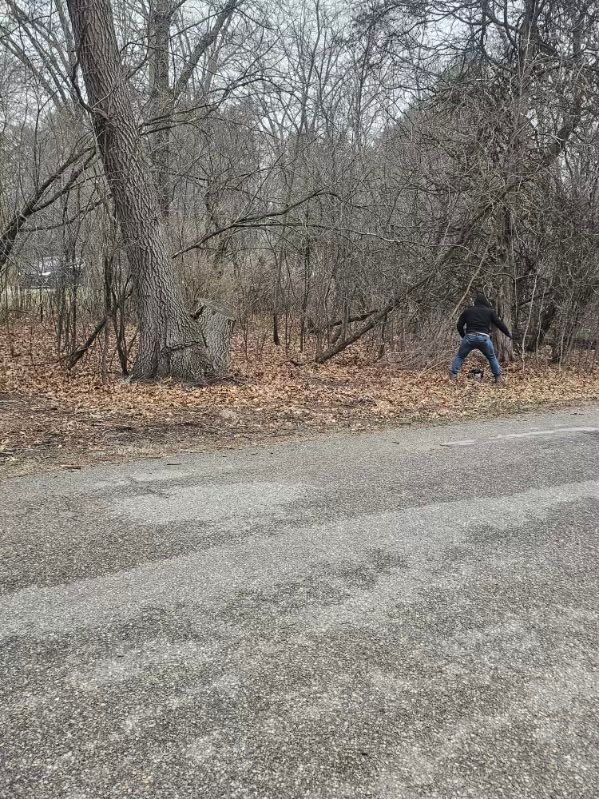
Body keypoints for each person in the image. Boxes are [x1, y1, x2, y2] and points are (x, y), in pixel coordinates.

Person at [449, 293, 512, 383]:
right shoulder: (490, 312)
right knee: (491, 357)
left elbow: (459, 325)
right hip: (484, 338)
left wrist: (464, 336)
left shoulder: (468, 311)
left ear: (476, 302)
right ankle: (498, 377)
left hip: (469, 337)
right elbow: (499, 324)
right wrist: (508, 334)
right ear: (485, 302)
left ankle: (453, 376)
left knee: (460, 356)